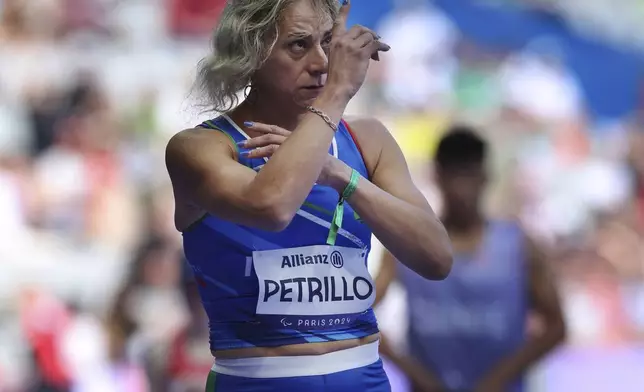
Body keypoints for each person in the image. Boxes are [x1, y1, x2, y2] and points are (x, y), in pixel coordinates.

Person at [164, 0, 453, 391]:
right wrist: (335, 95)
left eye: (328, 43)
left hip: (362, 376)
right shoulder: (201, 147)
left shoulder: (366, 141)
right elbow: (271, 206)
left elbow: (436, 258)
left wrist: (340, 175)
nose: (321, 63)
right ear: (251, 50)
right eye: (298, 45)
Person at [374, 126, 567, 392]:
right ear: (438, 177)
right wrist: (416, 374)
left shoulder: (518, 246)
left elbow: (557, 326)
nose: (461, 189)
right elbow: (363, 312)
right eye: (454, 175)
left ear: (485, 177)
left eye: (469, 175)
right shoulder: (409, 244)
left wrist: (500, 378)